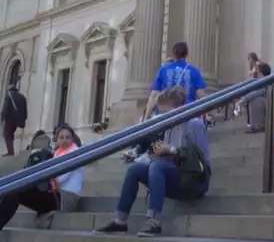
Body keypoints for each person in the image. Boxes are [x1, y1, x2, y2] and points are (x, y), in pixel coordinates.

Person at [96, 86, 211, 237]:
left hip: (194, 181)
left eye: (166, 113)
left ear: (180, 108)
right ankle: (120, 221)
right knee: (135, 169)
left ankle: (153, 221)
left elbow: (203, 162)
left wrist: (171, 151)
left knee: (157, 166)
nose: (162, 117)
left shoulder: (194, 124)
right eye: (160, 113)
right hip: (173, 175)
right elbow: (158, 151)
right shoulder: (167, 126)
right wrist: (138, 153)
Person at [0, 123, 83, 231]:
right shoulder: (57, 153)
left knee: (16, 191)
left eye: (68, 137)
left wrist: (42, 176)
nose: (64, 140)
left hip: (64, 198)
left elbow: (61, 178)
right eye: (61, 137)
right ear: (56, 140)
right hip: (53, 194)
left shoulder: (75, 153)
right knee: (14, 190)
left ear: (73, 139)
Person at [144, 42, 207, 120]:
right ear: (186, 54)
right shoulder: (194, 71)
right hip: (188, 114)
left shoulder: (163, 69)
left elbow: (154, 95)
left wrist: (146, 117)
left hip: (166, 115)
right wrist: (210, 113)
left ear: (173, 54)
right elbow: (201, 95)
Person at [236, 62, 272, 133]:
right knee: (252, 99)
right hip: (268, 106)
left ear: (261, 73)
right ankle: (253, 125)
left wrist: (242, 101)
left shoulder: (267, 81)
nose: (256, 73)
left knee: (256, 100)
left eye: (257, 71)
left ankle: (258, 126)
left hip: (273, 108)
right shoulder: (260, 81)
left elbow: (257, 93)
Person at [1, 83, 27, 156]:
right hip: (18, 120)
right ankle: (11, 150)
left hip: (9, 119)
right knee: (10, 134)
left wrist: (2, 117)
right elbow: (25, 111)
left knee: (7, 135)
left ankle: (10, 152)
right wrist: (23, 119)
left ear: (9, 90)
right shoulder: (22, 97)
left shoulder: (9, 95)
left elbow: (5, 107)